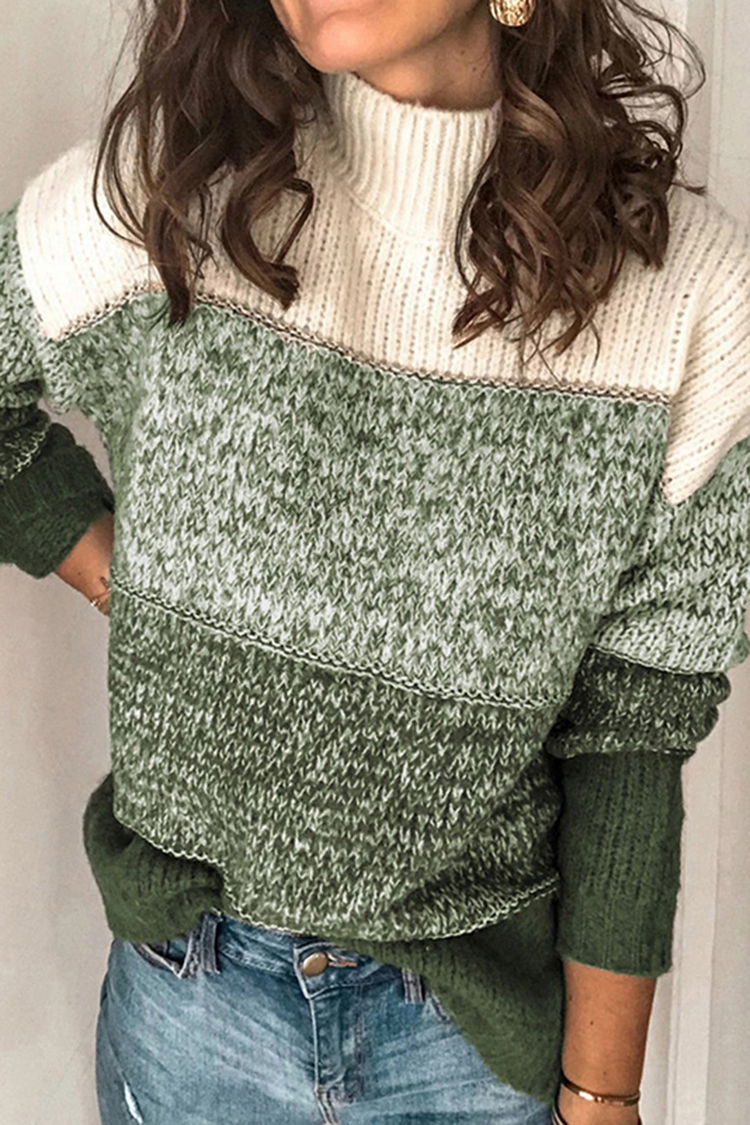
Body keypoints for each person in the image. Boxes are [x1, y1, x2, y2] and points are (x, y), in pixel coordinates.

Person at [1, 0, 749, 1122]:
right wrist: (133, 585)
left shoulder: (684, 290)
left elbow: (634, 726)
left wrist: (602, 1098)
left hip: (468, 1040)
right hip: (194, 1010)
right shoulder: (175, 188)